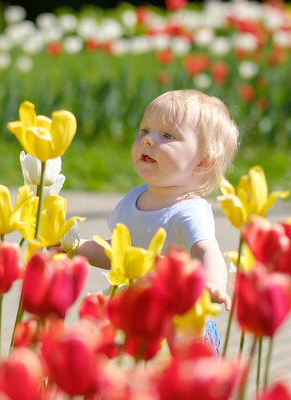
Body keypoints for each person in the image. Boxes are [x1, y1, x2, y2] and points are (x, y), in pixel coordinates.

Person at [75, 89, 239, 355]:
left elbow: (206, 250)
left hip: (180, 323)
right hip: (138, 314)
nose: (148, 141)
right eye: (144, 131)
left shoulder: (189, 211)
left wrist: (213, 286)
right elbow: (121, 255)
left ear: (204, 161)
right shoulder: (133, 199)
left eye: (167, 135)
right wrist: (77, 248)